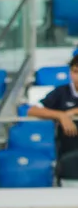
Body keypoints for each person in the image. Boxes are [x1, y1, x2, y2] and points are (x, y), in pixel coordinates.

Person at [27, 54, 78, 183]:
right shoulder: (61, 92)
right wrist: (61, 115)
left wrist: (73, 112)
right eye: (75, 72)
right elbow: (32, 110)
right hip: (68, 152)